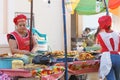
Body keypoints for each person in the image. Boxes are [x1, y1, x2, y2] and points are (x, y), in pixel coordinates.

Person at [97, 15, 120, 80]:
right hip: (118, 57)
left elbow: (102, 47)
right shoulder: (117, 34)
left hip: (107, 58)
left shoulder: (100, 35)